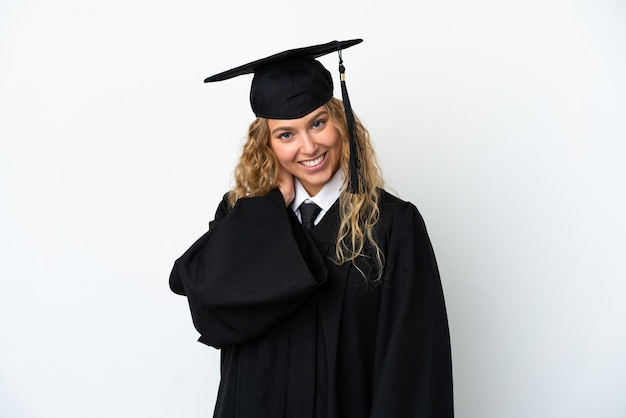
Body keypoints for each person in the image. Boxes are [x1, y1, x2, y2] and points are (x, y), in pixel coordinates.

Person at [169, 39, 454, 418]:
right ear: (266, 145)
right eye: (286, 134)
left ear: (339, 123)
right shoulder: (241, 214)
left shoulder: (391, 224)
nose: (308, 147)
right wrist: (268, 213)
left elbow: (414, 364)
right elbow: (204, 299)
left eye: (317, 123)